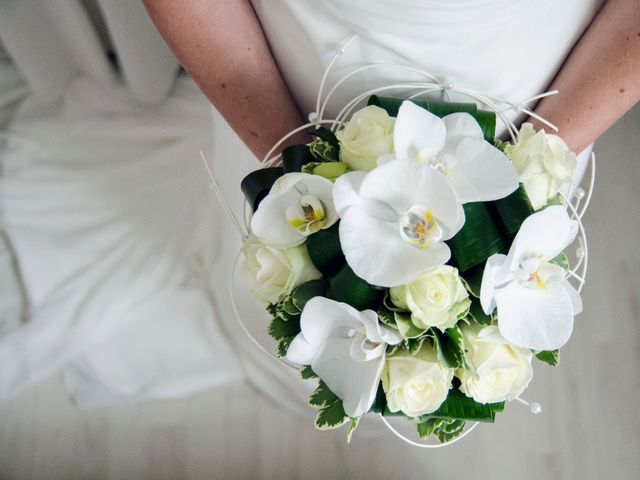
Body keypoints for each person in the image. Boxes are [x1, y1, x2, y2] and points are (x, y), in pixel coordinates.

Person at [140, 0, 640, 416]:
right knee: (283, 289)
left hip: (542, 96)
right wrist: (295, 170)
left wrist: (533, 164)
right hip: (287, 92)